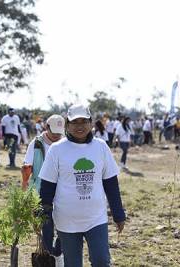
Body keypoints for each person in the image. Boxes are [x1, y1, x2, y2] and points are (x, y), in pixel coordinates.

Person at [39, 104, 126, 267]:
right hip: (66, 220)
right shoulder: (57, 150)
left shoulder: (101, 147)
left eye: (83, 121)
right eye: (75, 122)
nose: (79, 126)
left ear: (91, 123)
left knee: (101, 261)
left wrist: (118, 213)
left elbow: (111, 184)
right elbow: (47, 187)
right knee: (72, 264)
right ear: (67, 124)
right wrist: (44, 218)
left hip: (96, 218)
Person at [22, 114, 65, 262]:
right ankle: (49, 255)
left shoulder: (65, 143)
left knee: (63, 225)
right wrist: (25, 187)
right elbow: (27, 167)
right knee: (46, 225)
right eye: (54, 132)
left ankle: (59, 253)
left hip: (62, 191)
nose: (57, 136)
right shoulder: (36, 143)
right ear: (46, 128)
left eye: (60, 133)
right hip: (40, 190)